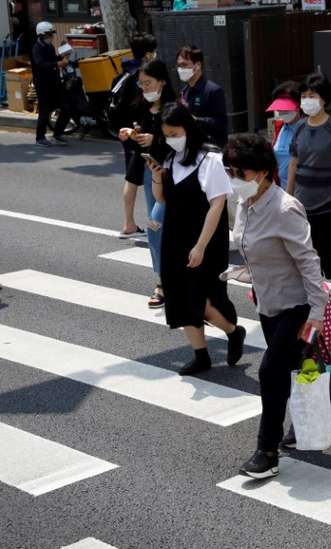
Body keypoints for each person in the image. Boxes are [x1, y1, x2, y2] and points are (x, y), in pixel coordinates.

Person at [219, 134, 328, 478]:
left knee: (270, 372)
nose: (234, 178)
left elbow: (309, 262)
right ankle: (312, 419)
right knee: (291, 370)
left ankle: (267, 451)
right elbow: (251, 247)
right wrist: (241, 273)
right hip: (268, 302)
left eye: (241, 172)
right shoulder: (244, 204)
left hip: (296, 306)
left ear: (264, 172)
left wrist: (317, 312)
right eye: (230, 171)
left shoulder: (285, 209)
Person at [148, 103, 245, 376]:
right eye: (166, 135)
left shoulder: (210, 159)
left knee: (202, 301)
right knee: (179, 298)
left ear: (188, 128)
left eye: (175, 133)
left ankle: (233, 331)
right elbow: (162, 199)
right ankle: (200, 355)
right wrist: (156, 177)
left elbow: (217, 205)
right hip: (175, 237)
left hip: (205, 238)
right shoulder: (170, 160)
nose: (171, 139)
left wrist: (200, 246)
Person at [286, 72, 331, 310]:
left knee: (325, 251)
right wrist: (287, 196)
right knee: (308, 253)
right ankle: (318, 301)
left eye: (312, 95)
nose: (307, 100)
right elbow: (293, 163)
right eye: (304, 96)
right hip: (302, 201)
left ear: (324, 99)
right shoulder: (299, 128)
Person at [118, 59, 176, 309]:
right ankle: (161, 281)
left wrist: (158, 138)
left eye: (148, 83)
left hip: (174, 174)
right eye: (141, 84)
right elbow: (138, 143)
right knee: (155, 225)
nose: (144, 88)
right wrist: (130, 135)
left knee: (171, 226)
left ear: (162, 81)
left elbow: (184, 141)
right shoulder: (140, 106)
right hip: (150, 171)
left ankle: (178, 279)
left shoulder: (174, 108)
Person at [115, 33, 158, 239]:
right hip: (140, 133)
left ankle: (129, 223)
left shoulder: (126, 71)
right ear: (149, 54)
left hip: (127, 131)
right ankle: (153, 226)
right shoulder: (143, 76)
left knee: (132, 178)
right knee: (151, 179)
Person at [176, 46, 228, 148]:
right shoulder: (183, 92)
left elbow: (221, 122)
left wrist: (197, 120)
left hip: (211, 147)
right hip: (191, 146)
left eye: (184, 65)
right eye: (179, 66)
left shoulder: (213, 90)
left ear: (198, 65)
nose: (180, 69)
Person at [31, 21, 70, 147]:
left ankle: (58, 134)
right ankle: (40, 137)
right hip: (43, 84)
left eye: (52, 34)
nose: (52, 37)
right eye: (49, 34)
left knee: (66, 107)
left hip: (55, 82)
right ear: (42, 35)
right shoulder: (36, 48)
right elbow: (40, 64)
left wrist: (62, 57)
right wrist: (57, 64)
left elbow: (53, 59)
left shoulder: (50, 46)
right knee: (45, 111)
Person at [266, 81, 304, 190]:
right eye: (280, 108)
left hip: (302, 190)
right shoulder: (279, 127)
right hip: (282, 189)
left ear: (299, 107)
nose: (282, 112)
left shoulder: (307, 128)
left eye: (286, 108)